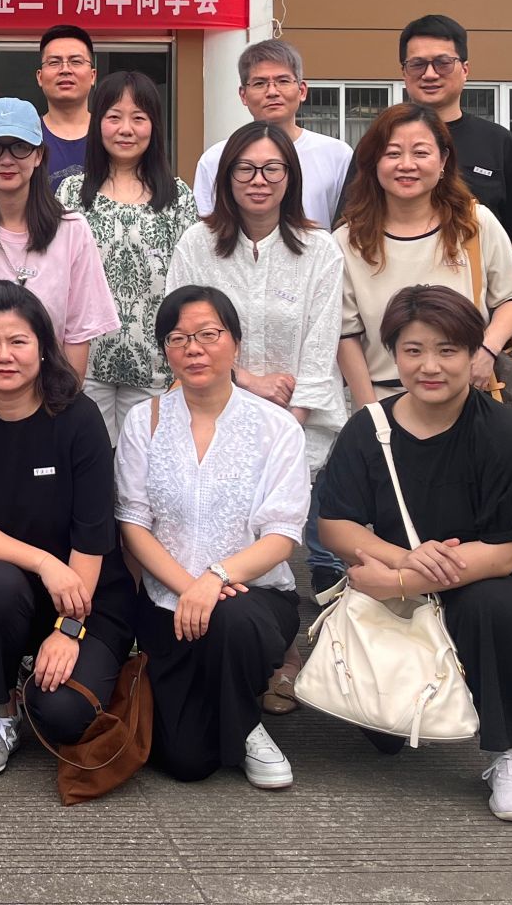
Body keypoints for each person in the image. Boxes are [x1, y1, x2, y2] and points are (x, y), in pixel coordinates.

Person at [317, 286, 512, 824]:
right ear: (393, 354)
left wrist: (401, 582)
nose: (429, 366)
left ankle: (509, 754)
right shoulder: (369, 429)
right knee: (384, 733)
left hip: (493, 583)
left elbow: (502, 556)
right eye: (413, 350)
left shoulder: (505, 434)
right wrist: (400, 560)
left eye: (447, 350)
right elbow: (334, 524)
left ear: (474, 353)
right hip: (401, 574)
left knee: (493, 606)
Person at [166, 121, 347, 712]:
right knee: (225, 531)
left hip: (301, 420)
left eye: (272, 168)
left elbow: (322, 340)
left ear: (290, 177)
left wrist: (289, 418)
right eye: (245, 168)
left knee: (286, 538)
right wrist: (247, 382)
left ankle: (297, 654)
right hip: (212, 411)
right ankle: (247, 645)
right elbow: (181, 326)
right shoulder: (197, 243)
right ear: (226, 177)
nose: (259, 180)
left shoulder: (319, 249)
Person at [0, 281, 140, 777]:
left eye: (18, 341)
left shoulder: (78, 418)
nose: (4, 355)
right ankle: (0, 705)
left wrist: (68, 630)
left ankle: (54, 672)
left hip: (89, 594)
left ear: (43, 348)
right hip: (10, 590)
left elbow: (93, 533)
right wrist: (45, 563)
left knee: (62, 716)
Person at [116, 286, 308, 789]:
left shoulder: (277, 428)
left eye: (208, 335)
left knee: (234, 620)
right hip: (168, 604)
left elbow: (283, 534)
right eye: (178, 338)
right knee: (186, 761)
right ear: (166, 351)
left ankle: (246, 726)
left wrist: (214, 579)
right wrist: (189, 588)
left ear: (235, 344)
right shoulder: (144, 421)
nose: (194, 349)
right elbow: (133, 523)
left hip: (253, 600)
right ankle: (228, 713)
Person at [333, 104, 512, 406]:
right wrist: (370, 412)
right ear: (373, 162)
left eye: (421, 153)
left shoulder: (475, 223)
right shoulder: (348, 240)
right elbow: (345, 335)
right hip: (385, 400)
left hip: (468, 398)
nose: (406, 165)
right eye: (392, 153)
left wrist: (487, 350)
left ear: (443, 161)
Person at [342, 15, 512, 296]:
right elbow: (353, 223)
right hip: (385, 305)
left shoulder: (499, 143)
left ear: (465, 69)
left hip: (483, 315)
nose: (429, 74)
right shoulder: (378, 143)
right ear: (404, 72)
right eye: (417, 64)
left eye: (442, 62)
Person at [0, 98, 117, 387]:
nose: (6, 160)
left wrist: (65, 399)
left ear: (38, 155)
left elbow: (78, 332)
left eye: (20, 147)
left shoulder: (71, 229)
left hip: (48, 391)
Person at [56, 71, 198, 444]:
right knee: (91, 464)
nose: (126, 129)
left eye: (139, 118)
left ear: (154, 126)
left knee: (149, 466)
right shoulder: (71, 193)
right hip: (84, 366)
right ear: (98, 123)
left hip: (158, 367)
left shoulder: (178, 198)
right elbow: (56, 278)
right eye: (114, 117)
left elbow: (190, 285)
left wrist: (183, 365)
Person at [193, 38, 353, 228]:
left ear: (302, 91)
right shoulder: (216, 159)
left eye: (283, 81)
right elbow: (208, 229)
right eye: (260, 83)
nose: (272, 92)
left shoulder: (337, 155)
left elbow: (347, 226)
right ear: (243, 95)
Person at [35, 25, 96, 190]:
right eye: (54, 62)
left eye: (76, 61)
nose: (65, 70)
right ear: (40, 77)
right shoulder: (27, 136)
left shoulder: (111, 134)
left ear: (93, 76)